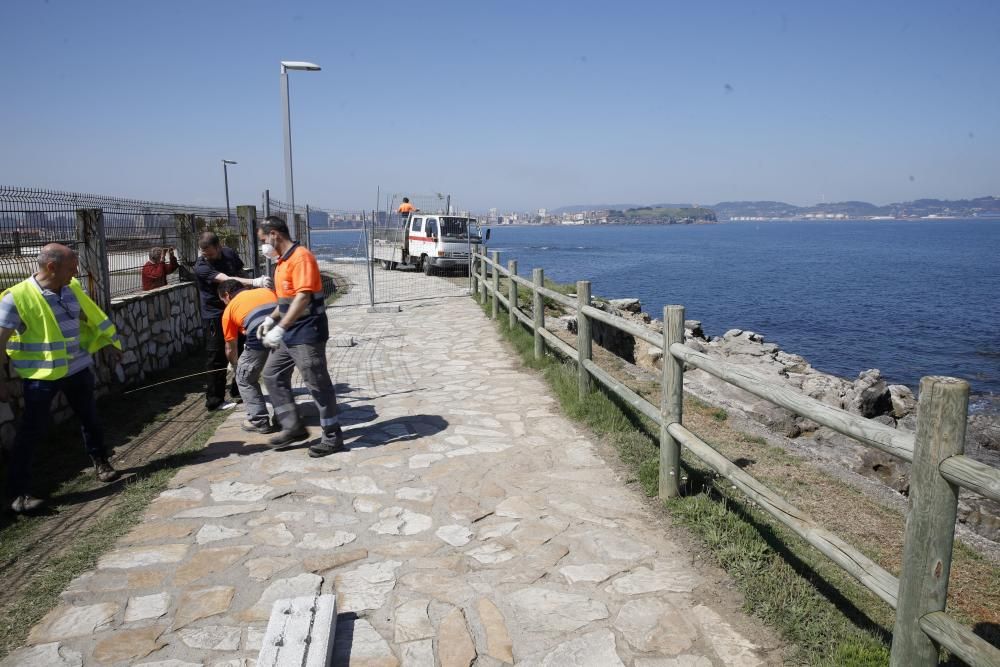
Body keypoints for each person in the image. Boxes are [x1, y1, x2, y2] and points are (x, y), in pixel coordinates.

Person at [0, 244, 122, 514]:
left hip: (77, 369)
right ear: (51, 267)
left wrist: (110, 343)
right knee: (31, 432)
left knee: (90, 418)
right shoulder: (16, 297)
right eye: (70, 268)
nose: (75, 272)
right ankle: (18, 493)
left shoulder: (71, 288)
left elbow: (92, 317)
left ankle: (101, 462)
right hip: (42, 378)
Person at [257, 216, 344, 456]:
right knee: (271, 374)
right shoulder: (282, 262)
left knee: (316, 383)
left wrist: (280, 327)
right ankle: (292, 426)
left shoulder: (301, 257)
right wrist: (271, 319)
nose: (262, 245)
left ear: (274, 234)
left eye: (263, 240)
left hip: (306, 331)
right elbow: (286, 301)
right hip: (289, 332)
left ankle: (332, 436)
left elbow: (303, 297)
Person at [193, 232, 271, 411]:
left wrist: (249, 288)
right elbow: (225, 279)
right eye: (204, 253)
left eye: (210, 253)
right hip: (215, 314)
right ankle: (215, 400)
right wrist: (255, 281)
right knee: (216, 357)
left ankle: (240, 390)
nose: (207, 256)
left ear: (218, 247)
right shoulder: (201, 266)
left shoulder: (229, 254)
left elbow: (238, 272)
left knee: (243, 348)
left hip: (237, 309)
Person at [218, 279, 278, 434]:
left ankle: (259, 420)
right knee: (278, 376)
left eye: (223, 300)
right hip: (287, 333)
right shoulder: (267, 291)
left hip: (260, 335)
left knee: (244, 378)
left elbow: (230, 347)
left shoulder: (229, 310)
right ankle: (285, 417)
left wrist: (235, 365)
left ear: (226, 295)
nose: (224, 304)